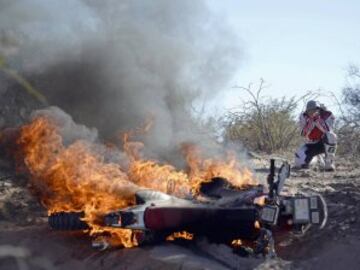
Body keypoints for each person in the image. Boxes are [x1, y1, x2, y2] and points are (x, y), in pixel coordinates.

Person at [294, 100, 337, 171]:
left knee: (331, 136)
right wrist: (310, 124)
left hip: (324, 143)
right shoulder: (304, 117)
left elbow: (328, 131)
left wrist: (319, 122)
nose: (312, 113)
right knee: (299, 163)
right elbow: (303, 134)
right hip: (311, 144)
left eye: (314, 110)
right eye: (309, 111)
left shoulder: (327, 115)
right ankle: (317, 160)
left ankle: (329, 163)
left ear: (319, 109)